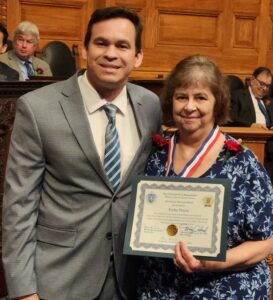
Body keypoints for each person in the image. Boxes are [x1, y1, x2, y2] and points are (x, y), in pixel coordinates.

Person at [2, 6, 161, 300]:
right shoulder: (38, 109)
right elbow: (19, 207)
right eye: (101, 43)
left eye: (122, 45)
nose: (111, 53)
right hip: (61, 280)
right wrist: (23, 291)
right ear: (86, 49)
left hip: (131, 280)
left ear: (138, 56)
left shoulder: (150, 105)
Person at [137, 55, 273, 299]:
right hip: (160, 288)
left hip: (225, 288)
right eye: (181, 97)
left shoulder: (242, 163)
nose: (190, 106)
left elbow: (265, 242)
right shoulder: (156, 157)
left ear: (217, 102)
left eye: (200, 97)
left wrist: (211, 263)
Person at [229, 67, 273, 182]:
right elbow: (229, 118)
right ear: (252, 80)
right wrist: (250, 126)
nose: (264, 88)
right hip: (250, 144)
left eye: (267, 86)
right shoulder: (237, 96)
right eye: (262, 84)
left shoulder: (268, 101)